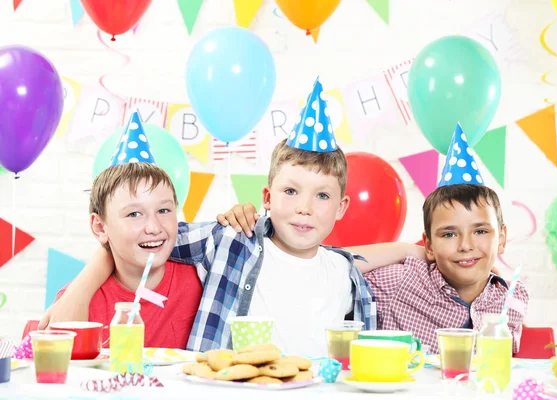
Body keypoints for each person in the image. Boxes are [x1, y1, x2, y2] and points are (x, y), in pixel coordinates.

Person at [41, 78, 379, 357]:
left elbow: (354, 263)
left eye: (321, 195)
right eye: (291, 191)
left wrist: (408, 249)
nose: (305, 207)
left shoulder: (346, 273)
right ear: (266, 198)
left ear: (341, 207)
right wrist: (101, 255)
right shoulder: (232, 240)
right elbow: (152, 241)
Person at [361, 124, 529, 353]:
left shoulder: (513, 295)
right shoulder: (403, 280)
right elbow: (331, 263)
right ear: (429, 244)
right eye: (449, 234)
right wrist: (407, 250)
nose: (466, 246)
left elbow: (505, 362)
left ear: (501, 239)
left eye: (480, 231)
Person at [54, 113, 203, 349]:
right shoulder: (81, 299)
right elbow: (59, 362)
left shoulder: (202, 280)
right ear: (100, 227)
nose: (154, 228)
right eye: (134, 214)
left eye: (164, 210)